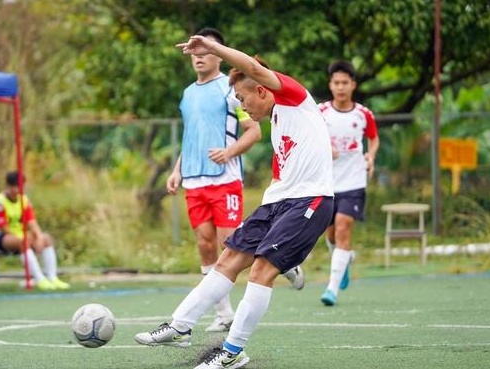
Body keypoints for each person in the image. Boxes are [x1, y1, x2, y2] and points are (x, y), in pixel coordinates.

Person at [135, 35, 334, 368]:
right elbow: (282, 174)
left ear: (261, 90)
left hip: (310, 201)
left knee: (260, 270)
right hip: (278, 202)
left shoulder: (295, 98)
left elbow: (253, 67)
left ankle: (231, 352)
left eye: (243, 99)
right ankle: (180, 325)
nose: (243, 106)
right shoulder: (277, 123)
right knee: (228, 259)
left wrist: (213, 49)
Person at [169, 27, 265, 332]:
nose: (199, 57)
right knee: (205, 244)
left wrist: (229, 151)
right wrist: (176, 170)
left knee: (230, 244)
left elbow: (254, 131)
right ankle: (224, 313)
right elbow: (190, 137)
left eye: (206, 51)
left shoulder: (231, 89)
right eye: (195, 52)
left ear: (219, 55)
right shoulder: (186, 94)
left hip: (224, 180)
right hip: (194, 181)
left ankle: (277, 254)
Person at [318, 60, 379, 307]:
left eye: (345, 83)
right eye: (336, 83)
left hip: (354, 179)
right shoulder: (320, 112)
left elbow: (373, 139)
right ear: (330, 85)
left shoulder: (363, 114)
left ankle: (331, 288)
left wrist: (371, 156)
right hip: (326, 181)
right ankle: (342, 263)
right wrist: (325, 147)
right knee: (331, 233)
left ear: (353, 85)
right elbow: (309, 137)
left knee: (343, 227)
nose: (341, 87)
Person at [0, 170, 70, 291]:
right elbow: (2, 227)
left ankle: (52, 277)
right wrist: (23, 238)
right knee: (23, 242)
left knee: (46, 239)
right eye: (14, 186)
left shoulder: (24, 200)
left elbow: (31, 221)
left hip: (19, 234)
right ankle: (39, 278)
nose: (17, 190)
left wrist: (39, 237)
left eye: (19, 186)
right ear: (8, 186)